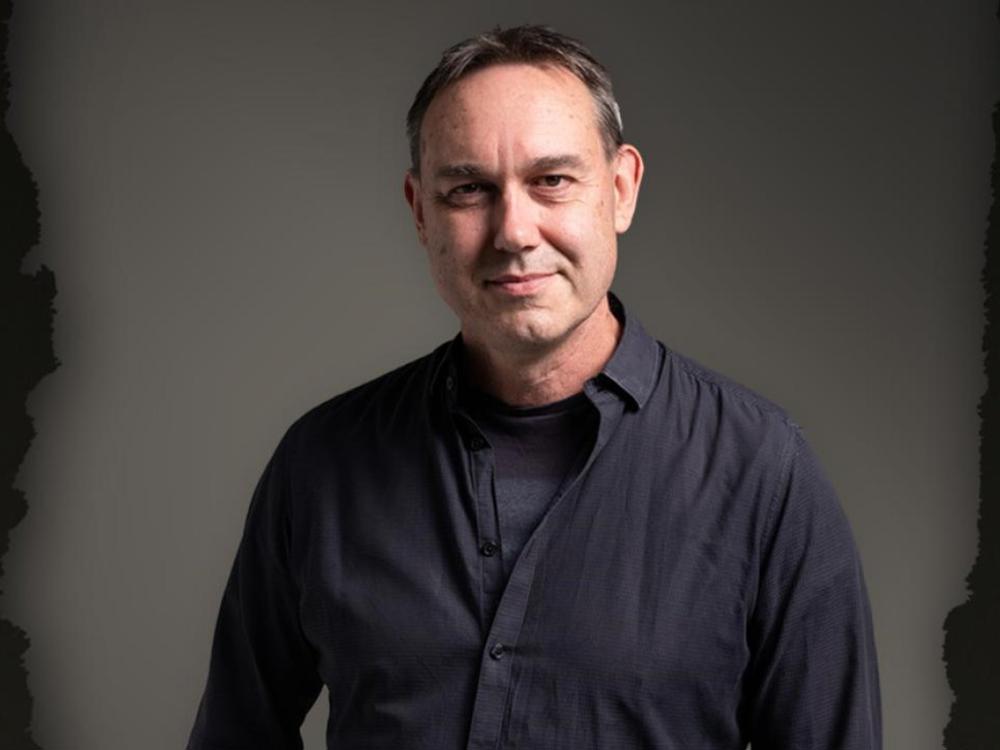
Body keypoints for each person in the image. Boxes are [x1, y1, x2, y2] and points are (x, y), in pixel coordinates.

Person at [186, 25, 881, 750]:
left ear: (621, 190)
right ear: (420, 211)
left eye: (551, 181)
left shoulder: (763, 473)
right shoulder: (320, 465)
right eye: (469, 190)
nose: (514, 232)